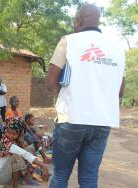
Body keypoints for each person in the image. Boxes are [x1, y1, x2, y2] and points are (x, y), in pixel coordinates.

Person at [45, 4, 125, 188]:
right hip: (102, 122)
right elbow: (120, 91)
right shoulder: (117, 48)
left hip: (71, 119)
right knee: (89, 179)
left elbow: (50, 81)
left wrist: (68, 97)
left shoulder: (69, 40)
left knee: (61, 175)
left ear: (78, 20)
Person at [0, 117, 50, 188]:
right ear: (5, 130)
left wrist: (21, 140)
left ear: (19, 135)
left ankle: (25, 178)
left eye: (14, 134)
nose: (10, 136)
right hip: (0, 177)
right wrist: (43, 165)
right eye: (9, 132)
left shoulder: (5, 140)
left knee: (26, 152)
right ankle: (16, 185)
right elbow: (25, 154)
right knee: (17, 158)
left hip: (2, 173)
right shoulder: (7, 143)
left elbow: (24, 152)